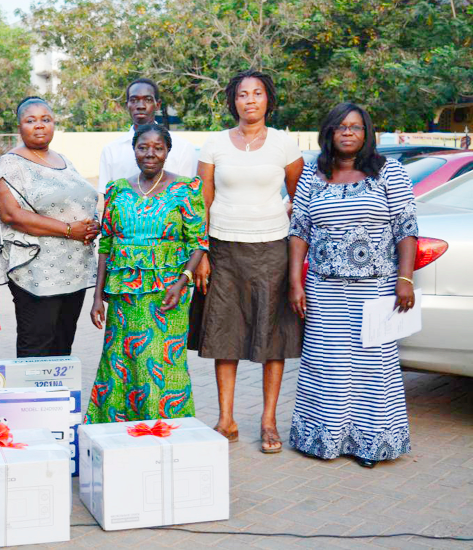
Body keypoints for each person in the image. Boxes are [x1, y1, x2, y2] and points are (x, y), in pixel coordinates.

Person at [288, 103, 417, 468]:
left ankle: (371, 445)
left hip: (375, 288)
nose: (348, 132)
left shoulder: (389, 172)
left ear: (367, 133)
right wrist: (295, 282)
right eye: (341, 127)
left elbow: (406, 228)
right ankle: (323, 440)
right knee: (326, 364)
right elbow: (299, 230)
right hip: (323, 288)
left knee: (371, 364)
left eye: (356, 127)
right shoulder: (314, 174)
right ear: (329, 132)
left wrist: (404, 280)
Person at [192, 70, 304, 453]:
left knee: (273, 337)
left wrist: (274, 222)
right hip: (224, 250)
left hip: (272, 248)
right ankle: (226, 419)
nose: (250, 100)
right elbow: (201, 204)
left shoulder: (285, 145)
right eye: (243, 94)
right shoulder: (214, 145)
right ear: (233, 101)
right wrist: (202, 252)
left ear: (268, 100)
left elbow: (298, 198)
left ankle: (269, 421)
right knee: (225, 334)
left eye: (257, 94)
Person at [85, 124, 207, 423]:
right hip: (123, 297)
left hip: (167, 295)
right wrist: (98, 297)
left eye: (158, 148)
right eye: (143, 147)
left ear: (167, 151)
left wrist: (183, 282)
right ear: (134, 150)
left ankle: (165, 433)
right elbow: (107, 245)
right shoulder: (117, 190)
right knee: (120, 362)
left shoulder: (186, 189)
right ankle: (117, 432)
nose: (150, 154)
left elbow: (199, 243)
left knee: (163, 364)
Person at [0, 97, 99, 357]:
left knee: (62, 344)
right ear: (19, 127)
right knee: (36, 345)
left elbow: (78, 200)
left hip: (72, 270)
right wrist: (70, 230)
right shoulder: (12, 164)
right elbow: (12, 214)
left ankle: (58, 397)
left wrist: (92, 225)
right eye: (31, 120)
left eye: (45, 120)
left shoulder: (64, 160)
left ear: (54, 124)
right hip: (36, 273)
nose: (39, 126)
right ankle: (30, 398)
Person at [97, 78, 197, 193]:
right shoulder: (111, 151)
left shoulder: (183, 148)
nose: (141, 106)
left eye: (148, 100)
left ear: (158, 105)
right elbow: (109, 202)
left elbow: (187, 196)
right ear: (127, 105)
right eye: (134, 100)